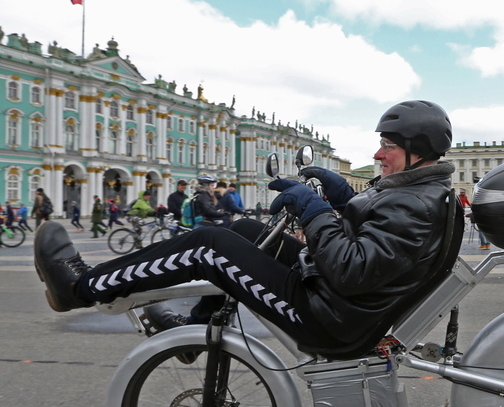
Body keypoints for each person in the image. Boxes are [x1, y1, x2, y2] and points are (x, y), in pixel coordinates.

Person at [33, 100, 456, 356]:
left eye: (388, 145)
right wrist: (343, 198)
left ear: (418, 152)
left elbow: (352, 267)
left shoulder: (415, 203)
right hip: (340, 302)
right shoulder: (418, 193)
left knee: (207, 244)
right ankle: (194, 327)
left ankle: (81, 288)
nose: (377, 153)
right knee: (246, 230)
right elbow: (376, 245)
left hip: (331, 320)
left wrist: (315, 211)